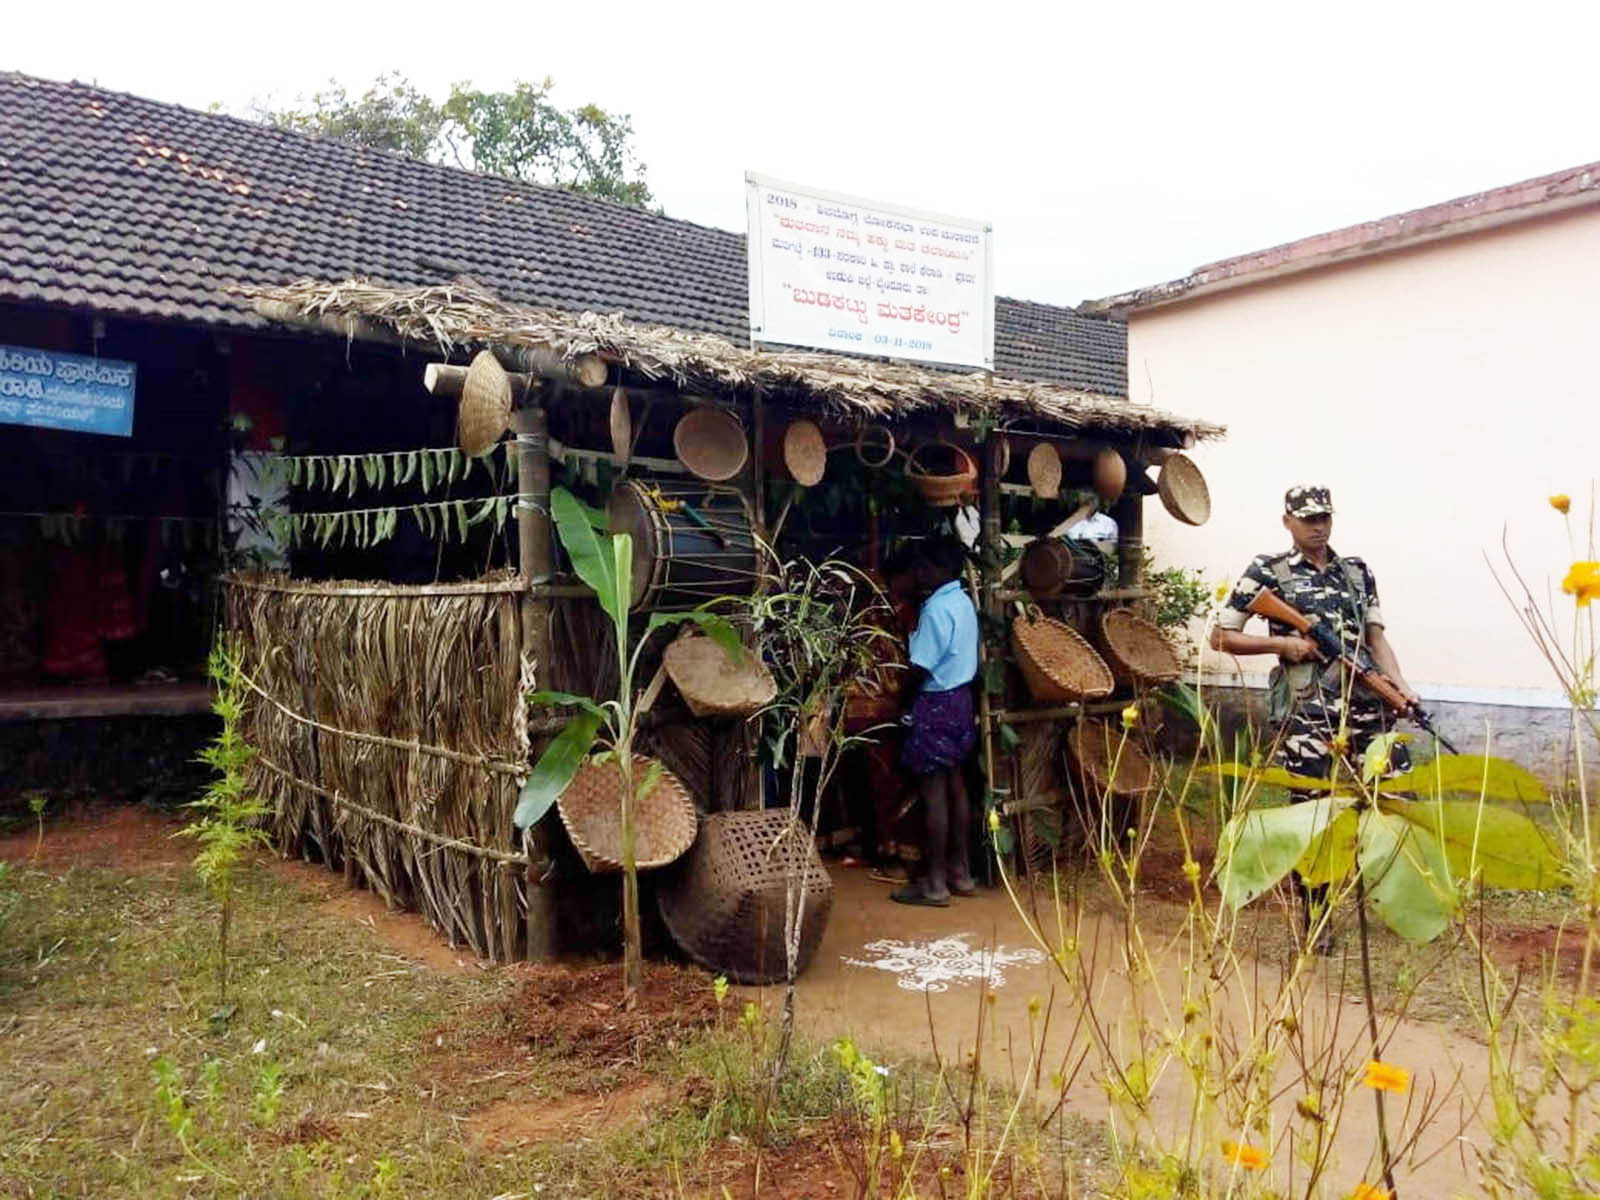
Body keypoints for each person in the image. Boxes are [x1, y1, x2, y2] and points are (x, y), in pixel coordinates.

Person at [1211, 485, 1418, 950]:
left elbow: (1376, 639)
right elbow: (1220, 637)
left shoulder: (1356, 572)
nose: (1318, 525)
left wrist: (1399, 686)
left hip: (1367, 705)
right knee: (1311, 813)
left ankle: (1396, 899)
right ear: (1287, 521)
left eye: (1324, 516)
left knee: (1397, 800)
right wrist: (1282, 645)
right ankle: (1316, 916)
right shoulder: (1269, 571)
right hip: (1308, 712)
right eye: (1307, 518)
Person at [891, 537, 980, 907]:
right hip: (961, 700)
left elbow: (919, 666)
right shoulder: (962, 601)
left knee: (933, 794)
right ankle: (960, 873)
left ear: (942, 569)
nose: (921, 573)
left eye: (926, 567)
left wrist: (901, 698)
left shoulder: (935, 610)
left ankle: (934, 884)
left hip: (936, 702)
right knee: (956, 785)